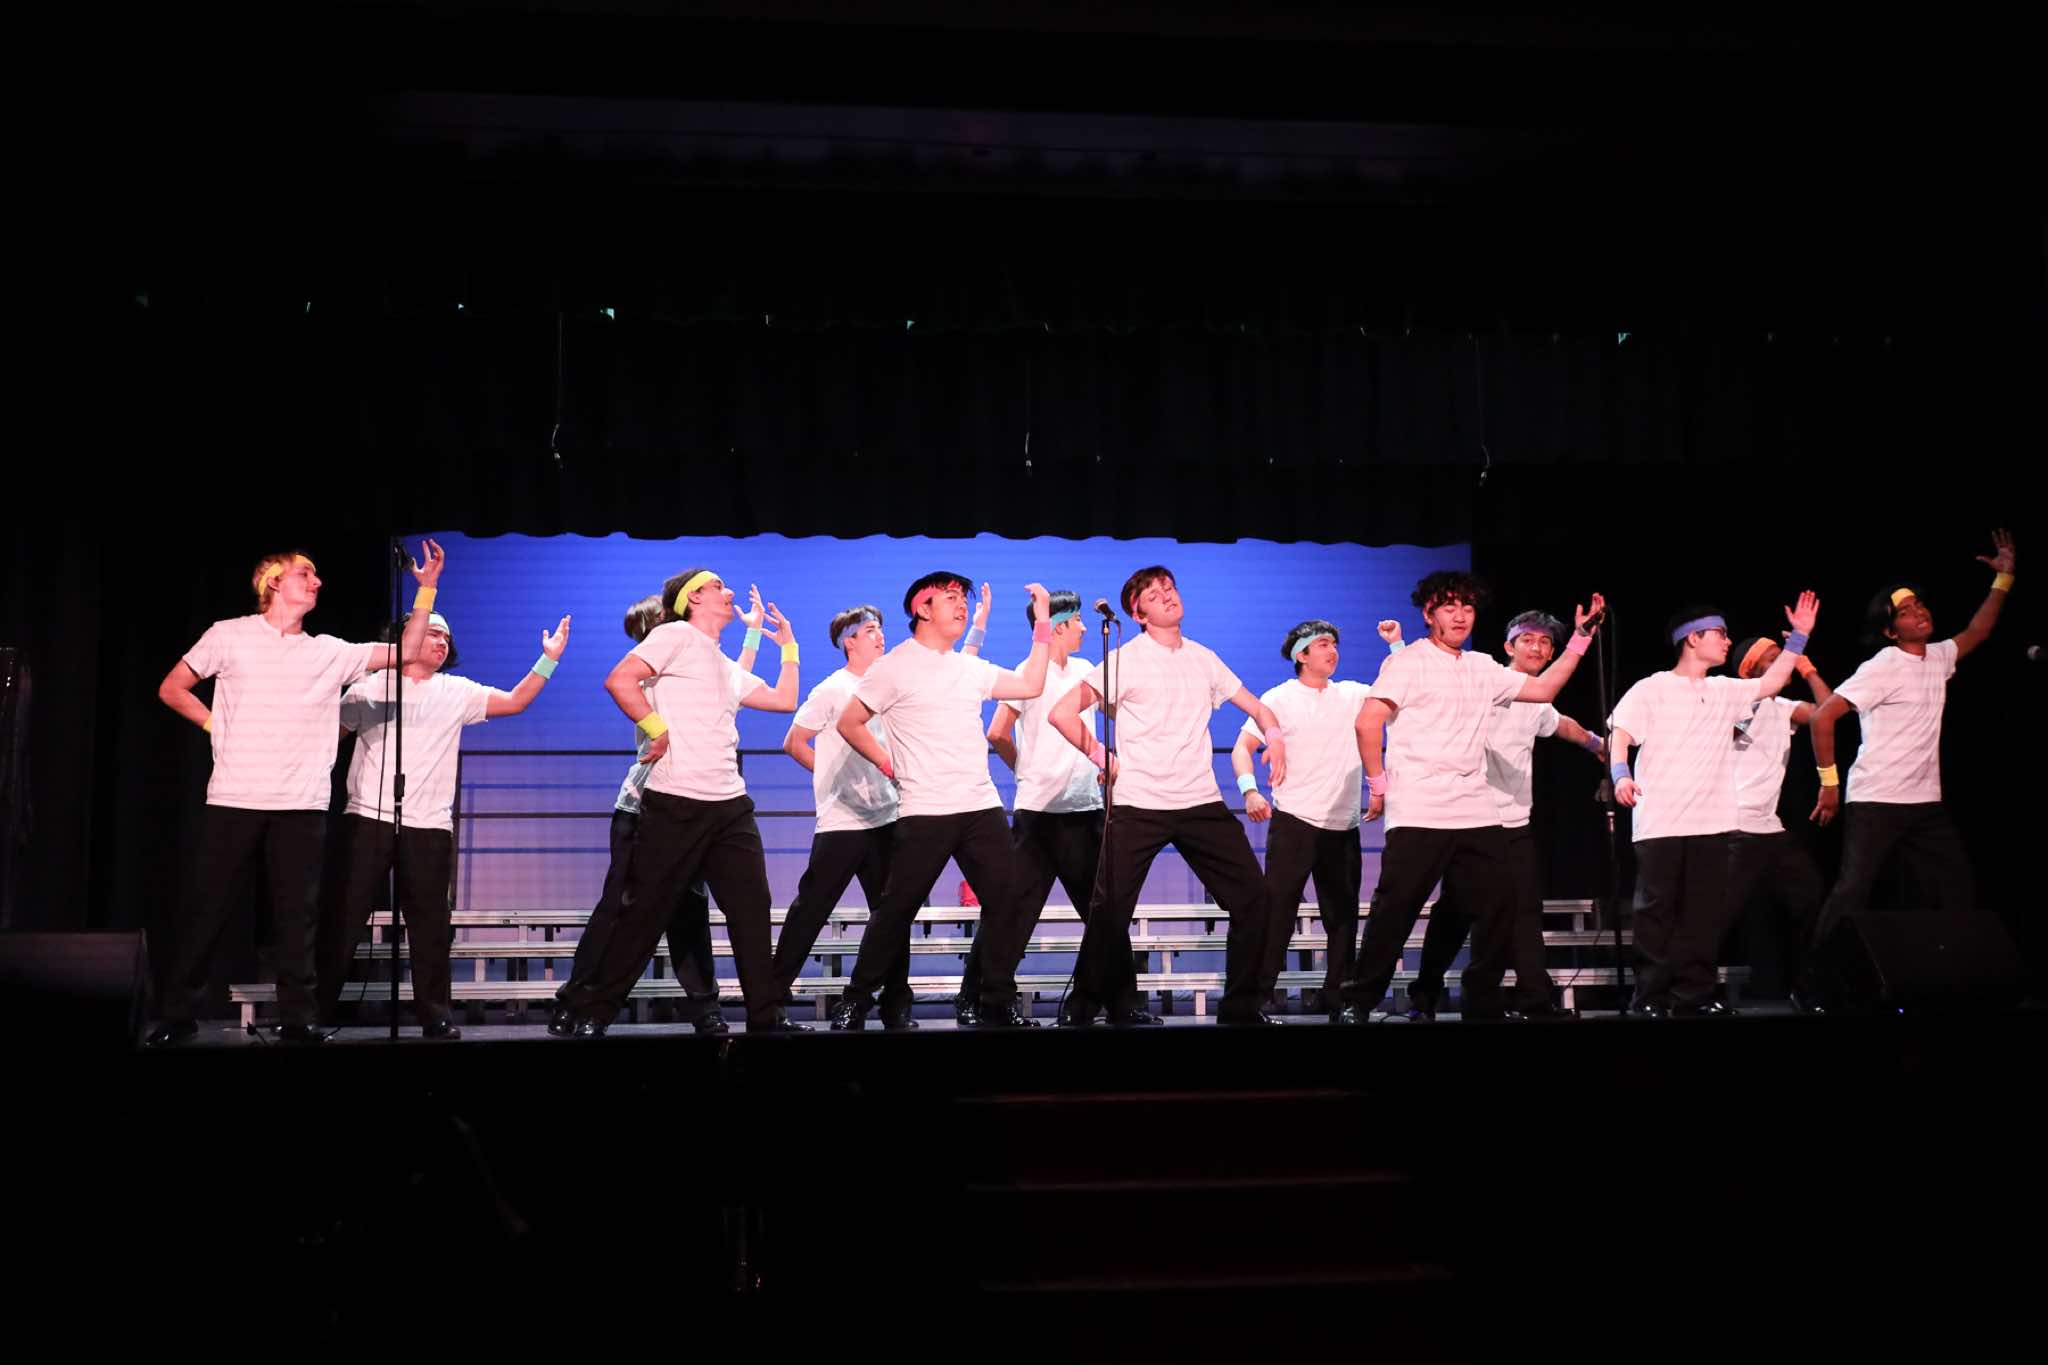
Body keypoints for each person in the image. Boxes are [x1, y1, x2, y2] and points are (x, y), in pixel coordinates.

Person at [147, 541, 446, 1046]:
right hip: (234, 797)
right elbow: (172, 687)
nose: (317, 582)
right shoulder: (229, 635)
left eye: (316, 575)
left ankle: (298, 1017)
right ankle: (177, 1014)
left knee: (297, 918)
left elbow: (408, 652)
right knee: (207, 910)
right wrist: (216, 726)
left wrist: (426, 590)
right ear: (273, 582)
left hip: (302, 804)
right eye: (305, 573)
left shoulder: (327, 650)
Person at [1338, 572, 1606, 1024]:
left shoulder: (1483, 667)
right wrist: (1378, 785)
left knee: (1501, 904)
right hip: (1421, 809)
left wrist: (1580, 639)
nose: (1460, 616)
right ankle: (1359, 1000)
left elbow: (1543, 692)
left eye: (1467, 607)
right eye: (1449, 607)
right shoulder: (1409, 662)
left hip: (1476, 810)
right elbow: (1368, 722)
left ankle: (1481, 1002)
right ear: (1429, 614)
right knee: (1396, 909)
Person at [555, 568, 806, 1035]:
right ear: (693, 598)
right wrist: (657, 729)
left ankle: (766, 1015)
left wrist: (788, 647)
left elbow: (784, 700)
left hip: (730, 803)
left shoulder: (723, 663)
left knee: (751, 908)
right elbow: (620, 679)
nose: (729, 592)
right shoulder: (674, 636)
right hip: (675, 800)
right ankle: (595, 1011)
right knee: (644, 912)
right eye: (718, 587)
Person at [1048, 566, 1290, 1027]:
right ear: (1138, 614)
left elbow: (1258, 707)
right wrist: (1103, 756)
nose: (1167, 596)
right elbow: (1062, 713)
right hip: (1139, 802)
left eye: (1170, 588)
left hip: (1199, 801)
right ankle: (1082, 1009)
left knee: (1254, 898)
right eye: (1154, 594)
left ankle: (1240, 1008)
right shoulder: (1125, 659)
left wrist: (1274, 737)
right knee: (1110, 910)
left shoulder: (1203, 658)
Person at [317, 608, 570, 1038]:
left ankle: (435, 1014)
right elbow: (326, 739)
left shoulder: (456, 691)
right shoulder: (369, 688)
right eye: (432, 634)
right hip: (367, 817)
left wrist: (549, 659)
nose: (440, 642)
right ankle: (314, 1010)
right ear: (406, 636)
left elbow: (516, 701)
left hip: (429, 825)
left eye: (446, 638)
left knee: (431, 926)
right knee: (343, 917)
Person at [827, 573, 1053, 1029]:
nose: (961, 605)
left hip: (979, 806)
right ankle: (856, 999)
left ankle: (996, 999)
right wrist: (887, 763)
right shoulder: (894, 666)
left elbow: (1031, 684)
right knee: (896, 909)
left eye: (963, 598)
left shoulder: (968, 667)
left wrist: (1043, 621)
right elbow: (849, 722)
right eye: (950, 597)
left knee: (1007, 900)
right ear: (922, 608)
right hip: (926, 809)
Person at [1608, 591, 1821, 1017]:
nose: (1727, 641)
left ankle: (1694, 996)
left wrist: (1800, 637)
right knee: (1656, 913)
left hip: (1713, 823)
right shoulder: (1652, 687)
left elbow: (1771, 683)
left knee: (1702, 916)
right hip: (1662, 821)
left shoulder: (1725, 690)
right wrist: (1620, 775)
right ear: (1693, 639)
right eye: (1720, 634)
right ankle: (1649, 998)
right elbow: (1621, 733)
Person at [1807, 530, 2015, 942]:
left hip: (1924, 803)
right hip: (1877, 800)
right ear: (1890, 631)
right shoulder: (1883, 665)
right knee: (1853, 891)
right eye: (1905, 612)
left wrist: (2003, 578)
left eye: (1919, 604)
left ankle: (1955, 967)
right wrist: (1829, 784)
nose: (1918, 612)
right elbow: (1822, 717)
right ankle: (1816, 973)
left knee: (1956, 888)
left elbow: (1978, 631)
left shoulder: (1938, 657)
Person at [1401, 609, 1607, 1020]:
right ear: (1508, 647)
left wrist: (1596, 744)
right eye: (1527, 639)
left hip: (1514, 823)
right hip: (1469, 819)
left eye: (1545, 642)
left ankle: (1531, 999)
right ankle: (1426, 991)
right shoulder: (1487, 683)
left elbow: (1559, 724)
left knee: (1523, 908)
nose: (1537, 647)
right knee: (1459, 910)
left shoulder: (1537, 699)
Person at [957, 588, 1129, 1025]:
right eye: (1078, 621)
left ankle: (1121, 1003)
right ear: (1059, 626)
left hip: (1084, 810)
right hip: (1038, 816)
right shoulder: (1026, 672)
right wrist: (1025, 770)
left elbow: (1120, 714)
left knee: (1105, 912)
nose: (1085, 628)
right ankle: (980, 998)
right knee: (1012, 911)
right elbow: (997, 733)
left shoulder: (1088, 670)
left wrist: (1106, 763)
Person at [1234, 618, 1398, 1011]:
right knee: (1277, 914)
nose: (1332, 651)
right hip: (1295, 821)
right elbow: (1242, 748)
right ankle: (1257, 998)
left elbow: (1400, 690)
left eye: (1334, 644)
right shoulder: (1279, 698)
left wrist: (1396, 645)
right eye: (1323, 644)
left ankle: (1337, 998)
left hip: (1342, 824)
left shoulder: (1354, 694)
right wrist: (1250, 791)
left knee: (1342, 918)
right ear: (1302, 655)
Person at [769, 603, 917, 1027]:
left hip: (887, 816)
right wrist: (828, 778)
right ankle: (771, 1000)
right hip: (843, 822)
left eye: (880, 628)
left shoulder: (889, 687)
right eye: (870, 630)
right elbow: (794, 742)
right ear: (848, 642)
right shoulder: (832, 689)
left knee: (892, 914)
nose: (880, 635)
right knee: (810, 911)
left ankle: (895, 1003)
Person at [1721, 631, 1832, 1006]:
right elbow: (1725, 734)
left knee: (1810, 897)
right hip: (1735, 826)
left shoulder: (1784, 707)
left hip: (1770, 828)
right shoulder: (1735, 703)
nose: (1783, 659)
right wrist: (1757, 696)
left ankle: (1806, 985)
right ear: (1752, 669)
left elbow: (1828, 712)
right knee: (1720, 912)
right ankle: (1683, 989)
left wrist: (1808, 668)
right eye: (1774, 657)